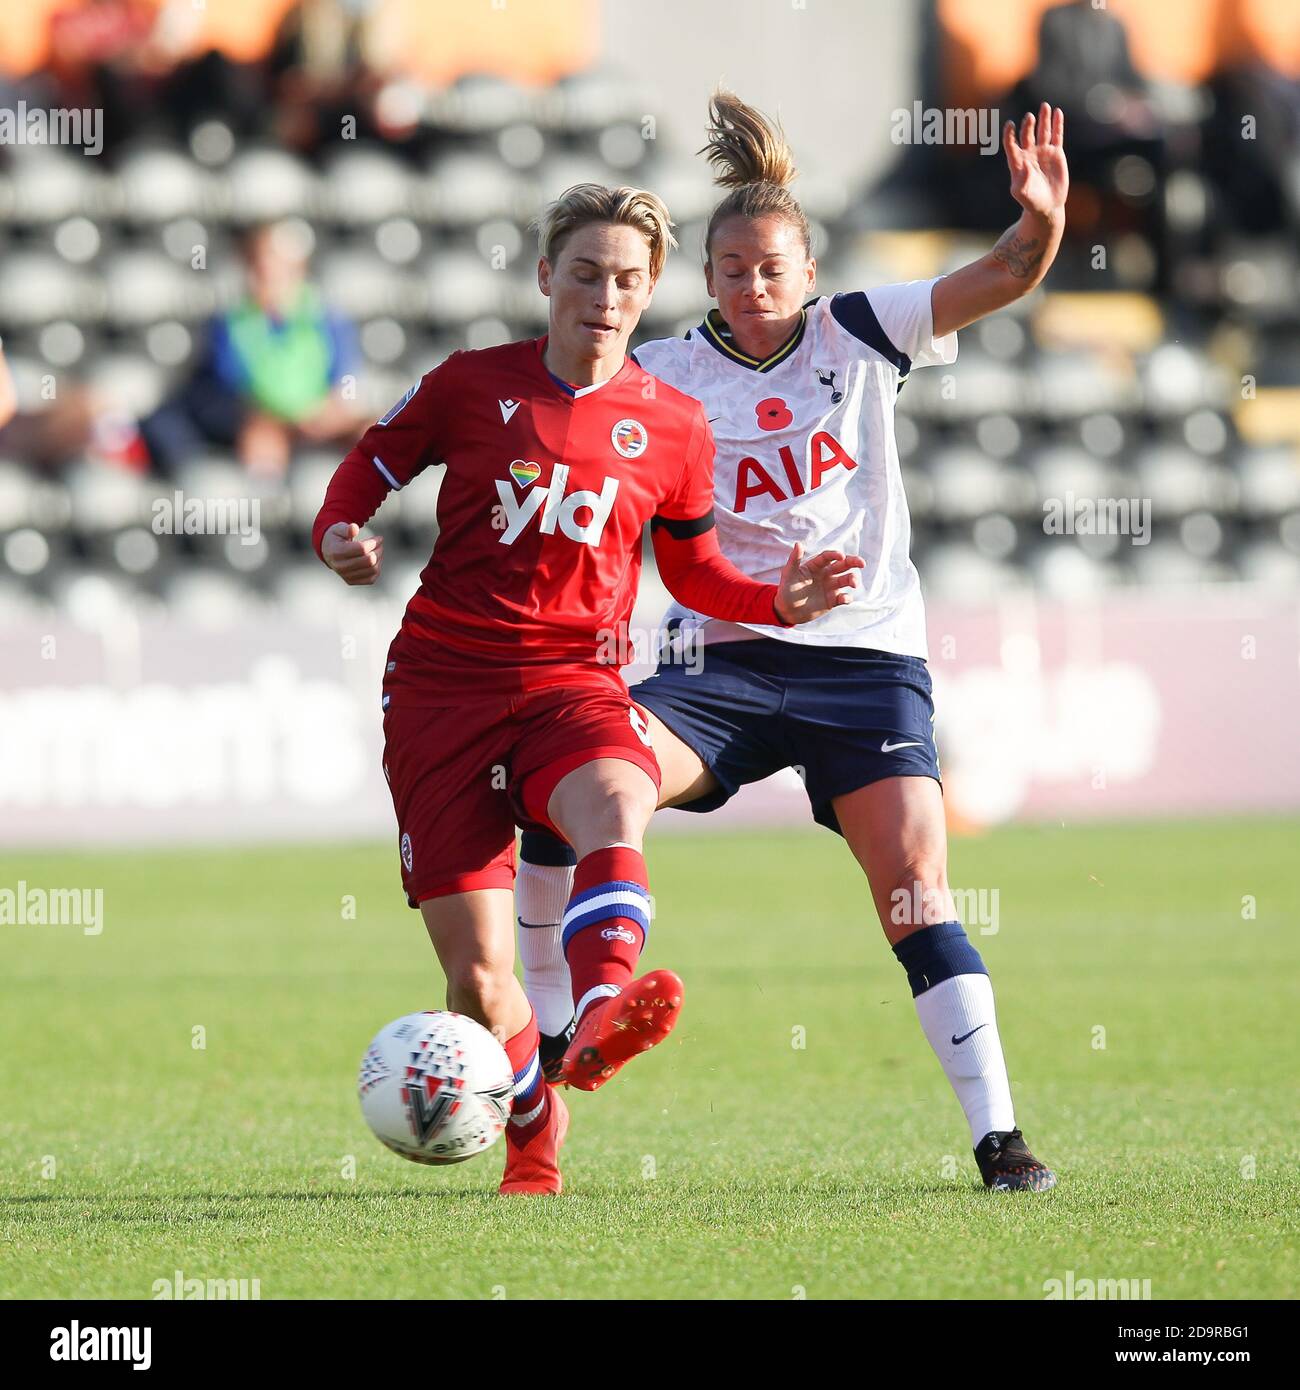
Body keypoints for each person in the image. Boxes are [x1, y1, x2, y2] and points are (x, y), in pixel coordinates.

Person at [516, 93, 1070, 1192]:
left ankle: (999, 1137)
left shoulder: (861, 330)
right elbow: (553, 444)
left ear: (807, 270)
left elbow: (1003, 274)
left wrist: (1042, 224)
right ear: (707, 275)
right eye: (730, 268)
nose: (752, 285)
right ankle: (548, 1041)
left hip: (865, 664)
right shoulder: (661, 376)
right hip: (714, 661)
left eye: (772, 267)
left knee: (915, 886)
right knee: (573, 779)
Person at [312, 182, 863, 1195]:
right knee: (477, 983)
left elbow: (691, 571)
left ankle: (602, 1005)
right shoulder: (471, 385)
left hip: (576, 681)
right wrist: (338, 534)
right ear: (545, 279)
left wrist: (774, 602)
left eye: (625, 279)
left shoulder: (673, 423)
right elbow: (369, 465)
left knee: (617, 792)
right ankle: (533, 1121)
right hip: (442, 690)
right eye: (584, 273)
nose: (603, 296)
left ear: (650, 289)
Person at [142, 221, 365, 477]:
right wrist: (270, 421)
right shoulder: (230, 324)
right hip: (261, 422)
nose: (269, 277)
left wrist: (329, 412)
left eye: (279, 268)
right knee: (261, 446)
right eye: (261, 268)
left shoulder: (328, 320)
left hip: (317, 420)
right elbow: (230, 389)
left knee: (371, 433)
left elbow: (346, 382)